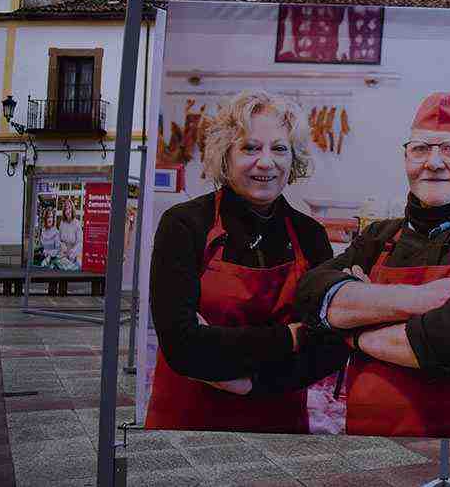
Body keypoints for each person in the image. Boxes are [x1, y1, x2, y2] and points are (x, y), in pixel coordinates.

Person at [296, 92, 450, 438]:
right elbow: (310, 297)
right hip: (368, 453)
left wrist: (353, 328)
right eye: (420, 148)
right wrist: (418, 301)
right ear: (406, 157)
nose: (433, 162)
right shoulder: (377, 239)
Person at [145, 90, 348, 433]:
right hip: (188, 424)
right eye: (250, 148)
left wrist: (251, 383)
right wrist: (290, 337)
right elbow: (182, 347)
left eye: (279, 149)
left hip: (280, 422)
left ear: (293, 159)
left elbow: (328, 349)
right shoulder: (184, 225)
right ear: (225, 156)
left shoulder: (310, 235)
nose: (266, 162)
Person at [58, 197, 82, 267]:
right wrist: (61, 244)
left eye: (69, 208)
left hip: (74, 257)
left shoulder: (77, 223)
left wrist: (73, 253)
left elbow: (80, 242)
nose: (67, 210)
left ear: (72, 209)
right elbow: (58, 239)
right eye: (66, 209)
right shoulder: (62, 223)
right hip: (63, 256)